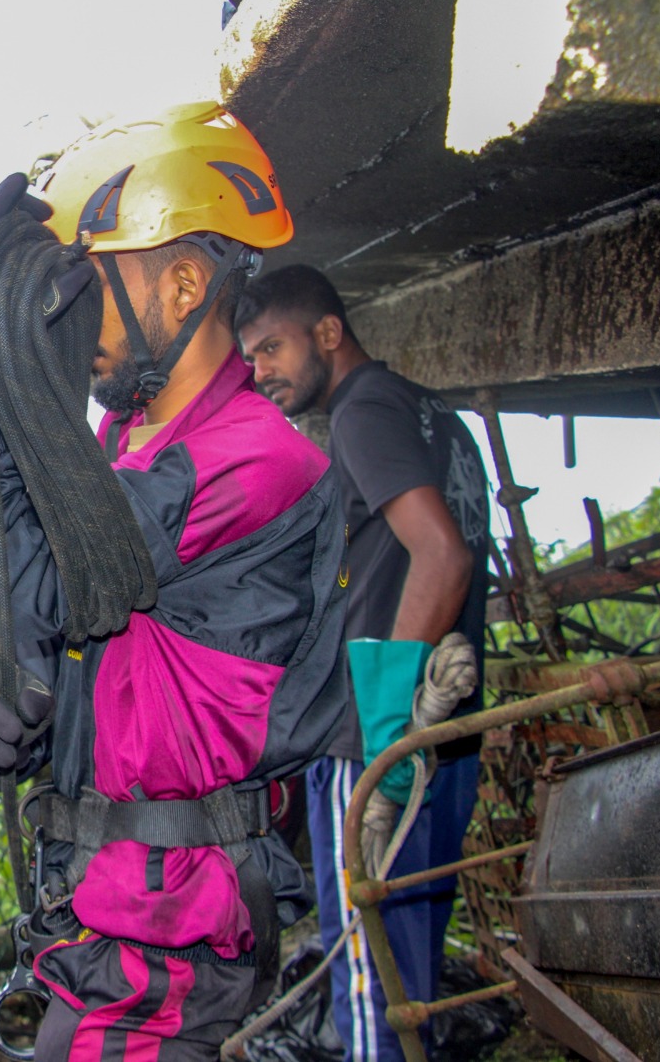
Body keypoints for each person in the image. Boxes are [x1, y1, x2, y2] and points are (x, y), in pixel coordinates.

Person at [0, 102, 348, 1060]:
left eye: (90, 285)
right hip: (110, 907)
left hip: (172, 932)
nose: (68, 317)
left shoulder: (248, 460)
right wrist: (30, 703)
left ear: (185, 283)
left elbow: (3, 589)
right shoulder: (122, 439)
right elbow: (103, 640)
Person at [237, 264, 489, 1062]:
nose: (260, 371)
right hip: (447, 738)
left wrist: (384, 724)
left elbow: (442, 556)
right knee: (409, 981)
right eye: (250, 357)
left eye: (272, 348)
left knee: (369, 980)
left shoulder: (363, 412)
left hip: (380, 741)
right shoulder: (436, 415)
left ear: (328, 333)